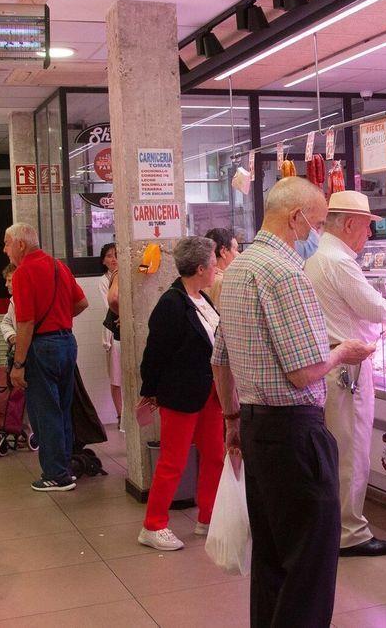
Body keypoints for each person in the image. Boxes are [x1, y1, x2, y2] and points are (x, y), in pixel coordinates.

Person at [211, 176, 374, 627]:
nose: (317, 234)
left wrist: (230, 419)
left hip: (256, 426)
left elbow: (220, 358)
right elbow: (303, 371)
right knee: (309, 564)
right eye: (318, 223)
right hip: (295, 432)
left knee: (272, 557)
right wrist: (343, 352)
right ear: (296, 218)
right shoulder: (286, 275)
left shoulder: (237, 270)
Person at [305, 191, 386, 557]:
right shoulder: (338, 261)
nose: (370, 235)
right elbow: (377, 311)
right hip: (347, 370)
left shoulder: (317, 257)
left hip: (331, 364)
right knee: (351, 449)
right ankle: (350, 533)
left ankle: (335, 525)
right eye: (367, 227)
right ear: (351, 224)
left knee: (338, 448)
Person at [136, 236, 225, 552]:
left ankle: (209, 516)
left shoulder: (203, 299)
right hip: (180, 395)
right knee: (173, 461)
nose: (217, 268)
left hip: (210, 394)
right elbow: (154, 354)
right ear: (200, 268)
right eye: (214, 263)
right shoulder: (171, 304)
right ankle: (154, 524)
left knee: (215, 456)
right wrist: (150, 392)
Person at [3, 223, 89, 492]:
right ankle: (64, 469)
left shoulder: (22, 273)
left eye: (6, 243)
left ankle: (55, 475)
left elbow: (25, 323)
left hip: (42, 348)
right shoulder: (58, 266)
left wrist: (18, 364)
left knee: (44, 412)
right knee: (62, 409)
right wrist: (59, 319)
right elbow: (82, 303)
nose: (4, 250)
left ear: (20, 244)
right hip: (67, 343)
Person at [93, 243, 122, 428]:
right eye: (109, 256)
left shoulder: (124, 276)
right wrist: (122, 315)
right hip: (113, 332)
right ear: (103, 260)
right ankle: (120, 416)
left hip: (124, 329)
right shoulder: (104, 281)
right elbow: (110, 304)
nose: (113, 259)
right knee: (116, 377)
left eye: (116, 255)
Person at [204, 227, 239, 306]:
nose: (238, 254)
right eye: (236, 249)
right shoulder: (225, 282)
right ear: (223, 251)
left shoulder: (200, 277)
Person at [0, 264, 17, 362]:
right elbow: (5, 322)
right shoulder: (13, 302)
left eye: (9, 280)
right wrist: (11, 335)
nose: (6, 284)